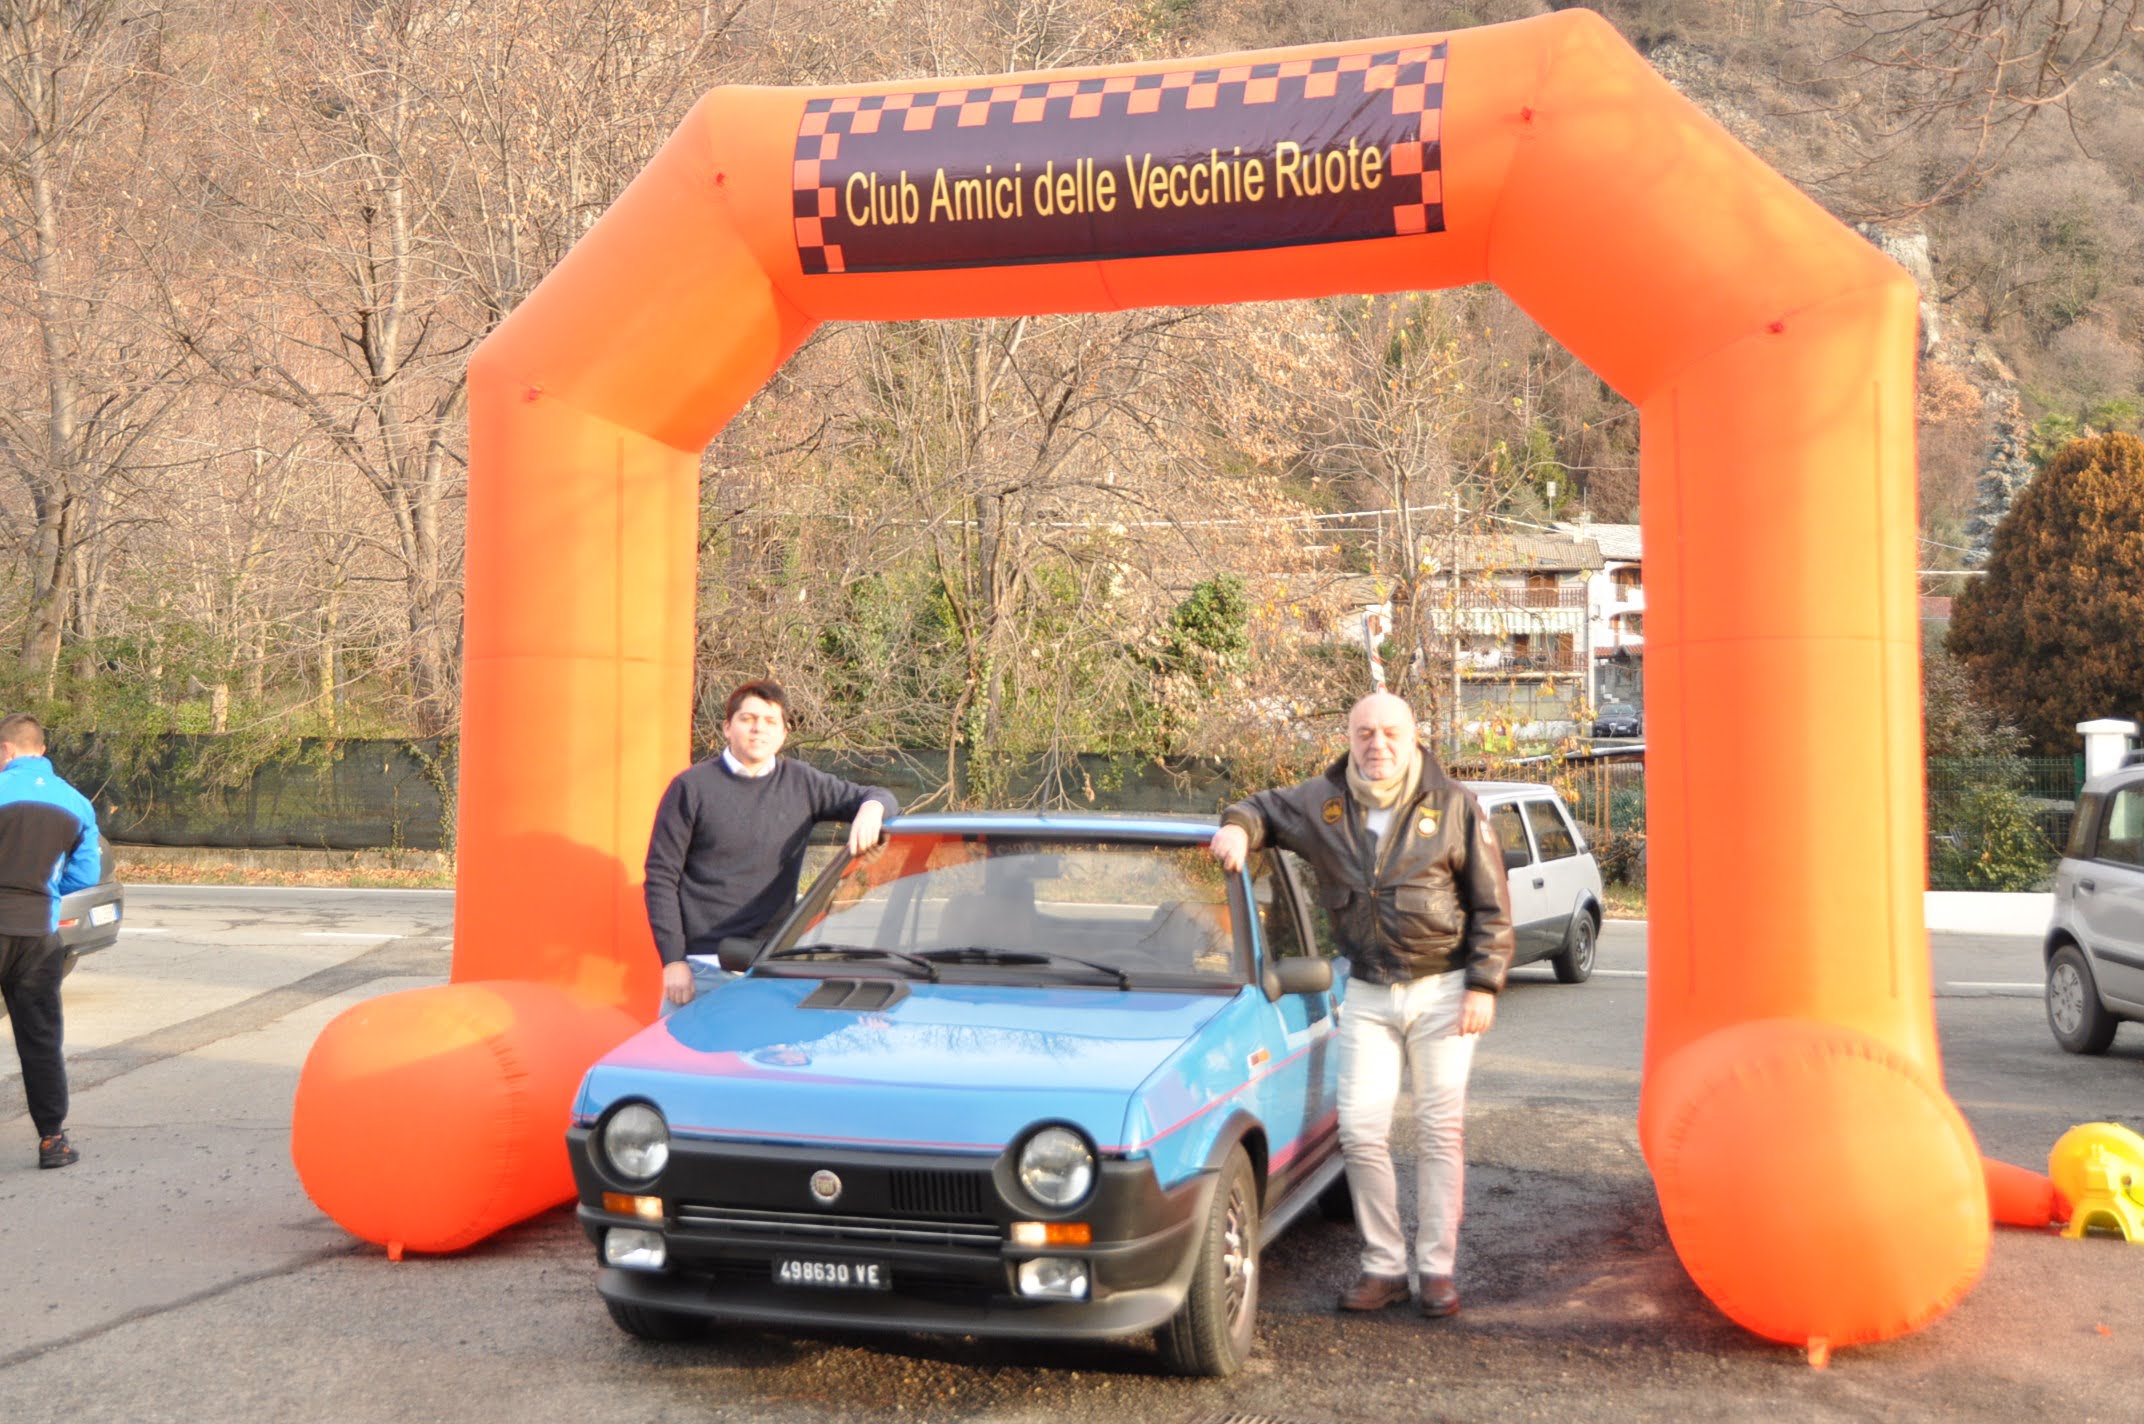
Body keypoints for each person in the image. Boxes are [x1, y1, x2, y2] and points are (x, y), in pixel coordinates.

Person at [1209, 690, 1513, 1318]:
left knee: (1439, 1132)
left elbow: (1492, 906)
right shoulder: (1321, 804)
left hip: (1444, 990)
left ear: (1413, 736)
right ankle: (1384, 1267)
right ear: (1349, 737)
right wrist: (1238, 828)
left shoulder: (1454, 805)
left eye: (1390, 733)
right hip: (1369, 991)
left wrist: (1484, 984)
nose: (1378, 745)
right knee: (1361, 1132)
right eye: (1365, 733)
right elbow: (1260, 807)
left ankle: (1437, 1270)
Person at [644, 680, 896, 1011]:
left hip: (771, 971)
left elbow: (878, 795)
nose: (758, 729)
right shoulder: (690, 788)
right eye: (747, 719)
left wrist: (872, 809)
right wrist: (673, 960)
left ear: (783, 733)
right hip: (700, 971)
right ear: (727, 727)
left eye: (770, 721)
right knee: (678, 1049)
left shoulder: (803, 783)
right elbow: (661, 877)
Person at [0, 713, 101, 1169]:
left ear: (6, 750)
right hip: (39, 935)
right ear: (41, 750)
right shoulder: (77, 803)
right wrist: (45, 890)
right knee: (40, 1039)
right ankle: (52, 1141)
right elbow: (85, 875)